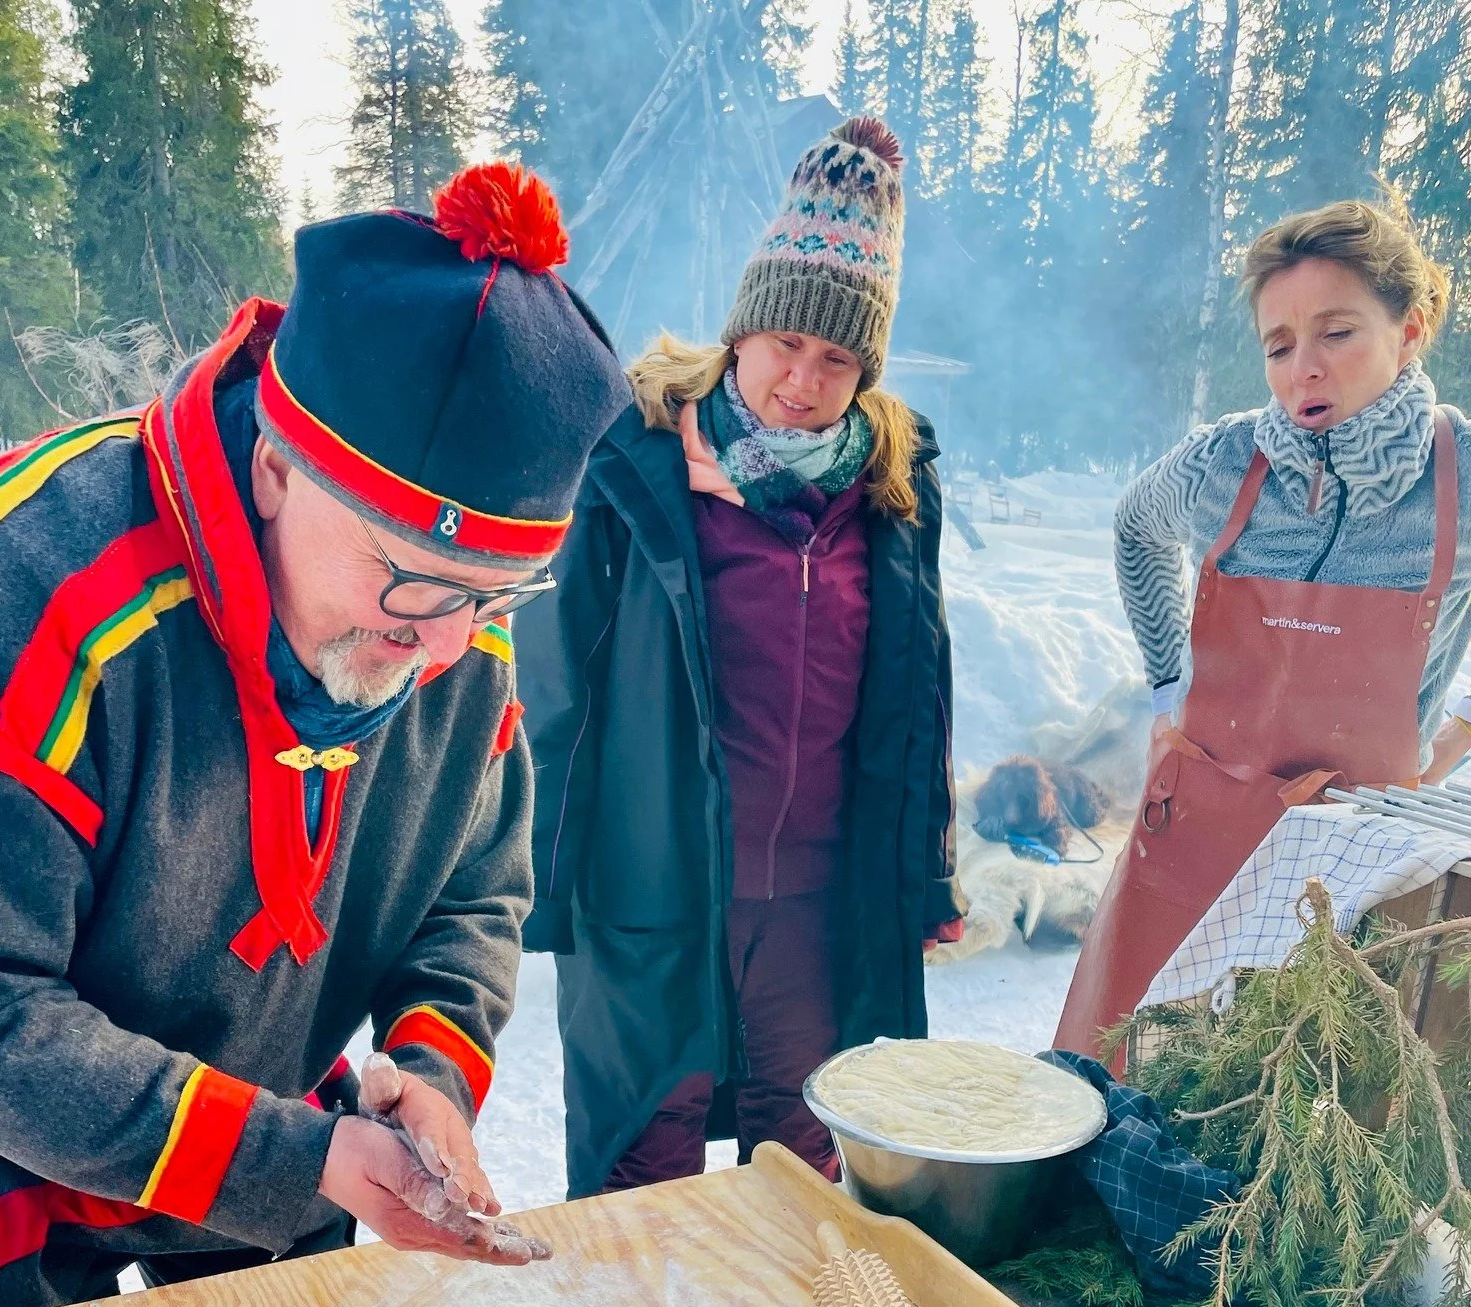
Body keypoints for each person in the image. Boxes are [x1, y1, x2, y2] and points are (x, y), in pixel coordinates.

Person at [0, 163, 632, 1307]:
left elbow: (475, 895)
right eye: (410, 577)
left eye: (498, 593)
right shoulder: (21, 585)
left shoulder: (453, 627)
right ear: (273, 465)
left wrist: (434, 1074)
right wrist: (290, 1154)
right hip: (0, 1174)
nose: (445, 644)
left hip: (273, 1151)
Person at [519, 116, 966, 1199]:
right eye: (785, 345)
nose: (802, 381)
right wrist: (542, 868)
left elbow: (920, 695)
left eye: (836, 357)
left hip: (818, 897)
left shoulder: (893, 493)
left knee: (803, 1152)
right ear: (742, 330)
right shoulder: (638, 460)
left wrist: (931, 871)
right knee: (645, 1163)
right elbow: (556, 680)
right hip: (657, 882)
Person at [1056, 197, 1471, 1061]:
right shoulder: (1225, 460)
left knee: (1293, 1112)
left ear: (1413, 326)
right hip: (1193, 833)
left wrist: (1454, 741)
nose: (1302, 370)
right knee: (1125, 1078)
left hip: (1352, 871)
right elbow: (1136, 526)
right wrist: (1172, 681)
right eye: (1279, 346)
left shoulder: (1461, 476)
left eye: (1337, 333)